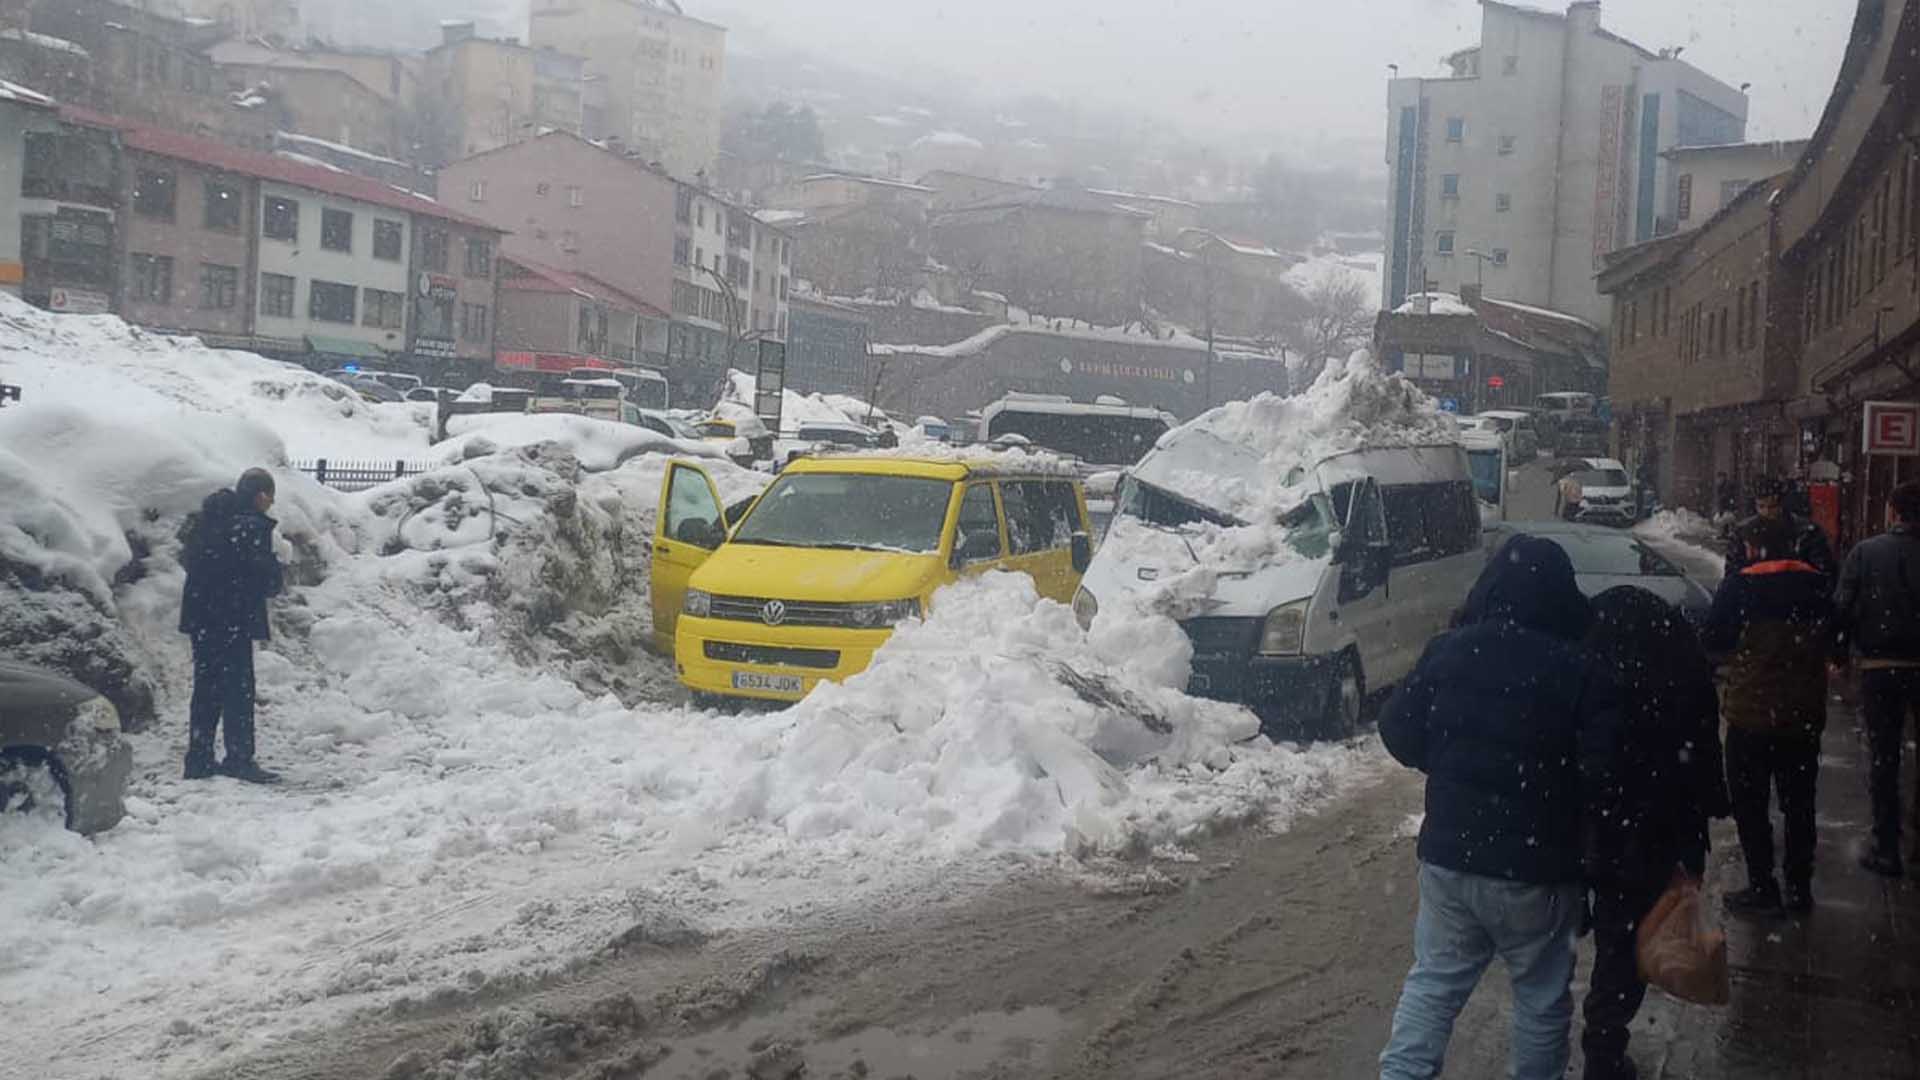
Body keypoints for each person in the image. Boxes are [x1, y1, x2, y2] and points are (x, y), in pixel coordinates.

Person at [1378, 535, 1618, 1080]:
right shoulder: (1580, 669)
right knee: (1539, 997)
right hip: (1538, 871)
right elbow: (1603, 771)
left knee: (1434, 983)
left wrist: (1446, 763)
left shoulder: (1450, 649)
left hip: (1449, 859)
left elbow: (1397, 729)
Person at [1581, 587, 1729, 1080]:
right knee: (1646, 933)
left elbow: (1586, 761)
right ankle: (1607, 1040)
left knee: (1614, 940)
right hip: (1666, 833)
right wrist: (1708, 814)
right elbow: (1704, 754)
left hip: (1611, 836)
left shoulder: (1598, 679)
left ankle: (1602, 1044)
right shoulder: (1686, 675)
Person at [1703, 515, 1834, 914]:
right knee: (1799, 803)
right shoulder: (1816, 585)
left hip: (1751, 714)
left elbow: (1714, 638)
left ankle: (1763, 885)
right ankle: (1799, 887)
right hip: (1802, 715)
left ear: (1754, 547)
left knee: (1751, 804)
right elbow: (1837, 633)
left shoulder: (1742, 585)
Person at [1832, 480, 1920, 878]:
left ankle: (1887, 847)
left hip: (1879, 668)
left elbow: (1843, 609)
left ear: (1893, 511)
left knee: (1885, 759)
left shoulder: (1867, 553)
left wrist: (1838, 656)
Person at [178, 468, 285, 784]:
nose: (271, 503)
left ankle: (199, 758)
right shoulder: (249, 526)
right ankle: (239, 758)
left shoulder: (209, 519)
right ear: (260, 494)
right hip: (232, 619)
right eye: (270, 496)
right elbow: (264, 579)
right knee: (238, 691)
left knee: (207, 688)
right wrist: (273, 570)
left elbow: (193, 561)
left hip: (203, 618)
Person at [1723, 476, 1836, 579]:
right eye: (1761, 506)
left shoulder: (1806, 533)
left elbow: (1823, 573)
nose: (1766, 512)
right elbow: (1732, 574)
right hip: (1756, 594)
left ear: (1781, 505)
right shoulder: (1743, 533)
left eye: (1772, 506)